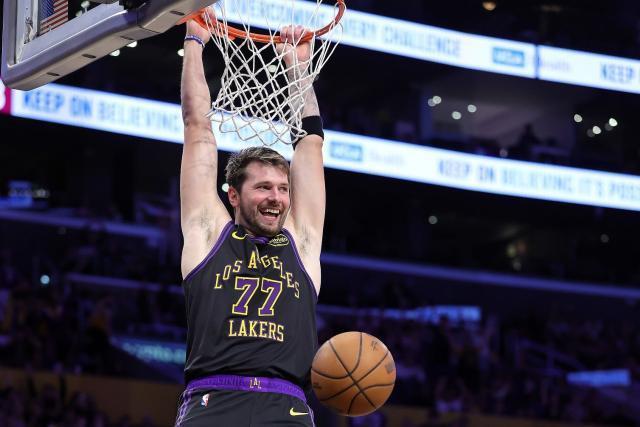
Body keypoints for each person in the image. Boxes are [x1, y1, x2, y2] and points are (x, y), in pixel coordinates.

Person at [175, 14, 326, 427]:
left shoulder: (302, 241)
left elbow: (310, 146)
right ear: (234, 196)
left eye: (282, 188)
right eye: (263, 188)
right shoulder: (209, 234)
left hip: (287, 406)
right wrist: (194, 41)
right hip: (213, 401)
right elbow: (197, 129)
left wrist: (297, 68)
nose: (276, 197)